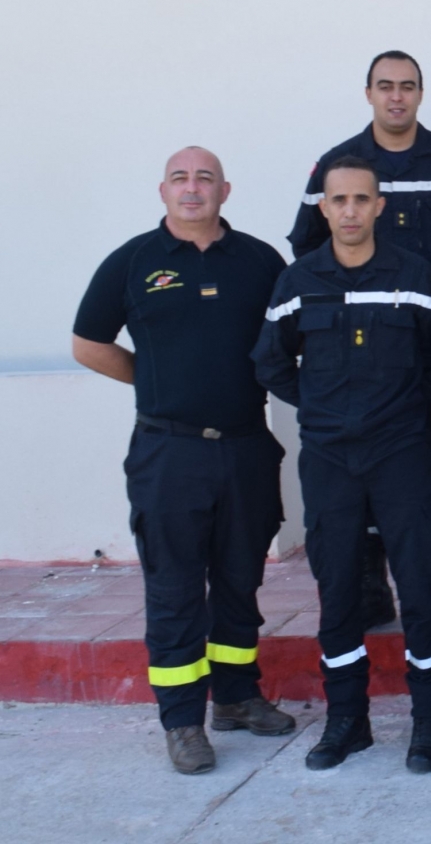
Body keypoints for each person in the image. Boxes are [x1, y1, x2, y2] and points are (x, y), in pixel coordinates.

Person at [71, 147, 297, 775]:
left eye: (204, 178)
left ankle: (237, 698)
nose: (192, 188)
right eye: (180, 178)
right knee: (174, 589)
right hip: (168, 452)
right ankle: (182, 721)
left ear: (226, 190)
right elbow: (88, 343)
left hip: (246, 446)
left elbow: (288, 342)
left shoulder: (260, 262)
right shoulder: (133, 261)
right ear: (163, 191)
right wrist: (154, 381)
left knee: (239, 580)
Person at [254, 156, 431, 773]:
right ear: (324, 208)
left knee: (418, 584)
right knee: (338, 587)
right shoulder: (298, 281)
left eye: (361, 199)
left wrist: (407, 408)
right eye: (338, 200)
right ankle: (347, 720)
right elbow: (269, 361)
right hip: (329, 457)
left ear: (379, 206)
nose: (350, 211)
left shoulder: (415, 275)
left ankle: (428, 722)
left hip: (400, 453)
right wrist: (320, 406)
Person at [288, 51, 431, 634]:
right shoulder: (337, 166)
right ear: (368, 93)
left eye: (407, 86)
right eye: (385, 86)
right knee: (363, 471)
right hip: (365, 359)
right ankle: (372, 588)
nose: (396, 97)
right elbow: (307, 248)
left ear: (420, 93)